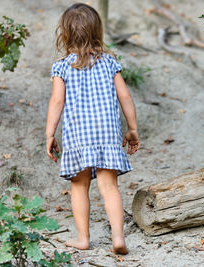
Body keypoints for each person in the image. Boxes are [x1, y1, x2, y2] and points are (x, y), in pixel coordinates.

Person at [45, 3, 140, 255]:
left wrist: (50, 133)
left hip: (78, 135)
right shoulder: (110, 63)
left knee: (79, 185)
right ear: (98, 31)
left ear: (64, 34)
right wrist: (132, 128)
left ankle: (83, 238)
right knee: (109, 186)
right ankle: (118, 238)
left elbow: (57, 102)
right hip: (107, 132)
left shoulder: (62, 67)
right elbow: (125, 97)